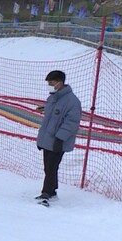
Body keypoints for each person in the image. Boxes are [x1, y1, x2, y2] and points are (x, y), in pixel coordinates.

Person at [35, 70, 82, 203]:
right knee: (47, 167)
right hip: (48, 140)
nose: (49, 85)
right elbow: (53, 115)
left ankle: (46, 194)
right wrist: (44, 108)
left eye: (52, 83)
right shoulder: (52, 98)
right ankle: (52, 189)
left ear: (60, 83)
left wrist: (60, 138)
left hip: (58, 141)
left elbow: (71, 123)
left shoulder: (73, 101)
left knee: (51, 167)